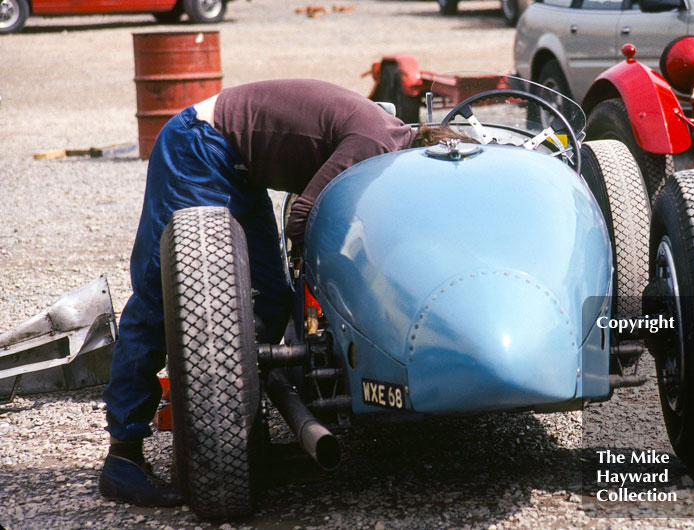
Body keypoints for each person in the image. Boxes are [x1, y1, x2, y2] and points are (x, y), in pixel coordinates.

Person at [98, 79, 473, 507]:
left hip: (240, 166)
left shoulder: (388, 140)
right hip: (200, 144)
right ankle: (123, 457)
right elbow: (302, 216)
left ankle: (231, 423)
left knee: (271, 296)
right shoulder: (374, 144)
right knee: (166, 298)